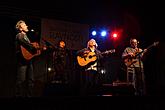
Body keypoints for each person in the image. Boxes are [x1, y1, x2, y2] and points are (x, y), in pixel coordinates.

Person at [15, 20, 39, 97]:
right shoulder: (19, 35)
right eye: (25, 25)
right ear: (20, 28)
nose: (27, 26)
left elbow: (28, 48)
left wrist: (38, 49)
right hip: (22, 60)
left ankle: (29, 97)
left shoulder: (26, 37)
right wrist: (34, 47)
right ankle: (18, 97)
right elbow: (24, 43)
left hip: (29, 60)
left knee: (31, 80)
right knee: (21, 80)